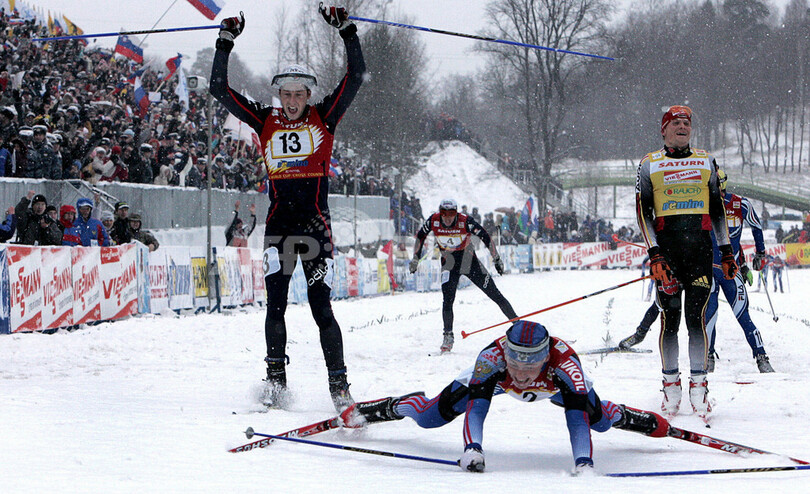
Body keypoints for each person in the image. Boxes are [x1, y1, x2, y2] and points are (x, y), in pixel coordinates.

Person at [209, 5, 365, 411]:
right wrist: (225, 41)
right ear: (278, 95)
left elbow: (356, 78)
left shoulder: (324, 116)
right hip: (278, 228)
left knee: (320, 306)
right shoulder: (265, 121)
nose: (293, 101)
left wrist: (347, 30)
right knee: (275, 305)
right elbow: (218, 90)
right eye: (287, 94)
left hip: (315, 228)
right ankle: (276, 383)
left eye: (299, 94)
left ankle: (340, 388)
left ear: (308, 95)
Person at [339, 321, 669, 474]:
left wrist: (584, 463)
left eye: (529, 364)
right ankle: (385, 408)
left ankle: (629, 416)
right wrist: (472, 449)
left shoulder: (566, 364)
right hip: (498, 384)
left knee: (599, 423)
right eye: (514, 362)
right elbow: (477, 409)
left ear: (545, 358)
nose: (522, 370)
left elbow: (576, 421)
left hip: (553, 386)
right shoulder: (491, 360)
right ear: (505, 355)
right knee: (428, 418)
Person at [635, 105, 735, 421]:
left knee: (696, 319)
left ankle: (699, 387)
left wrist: (727, 251)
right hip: (667, 255)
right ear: (663, 129)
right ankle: (670, 385)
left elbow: (718, 210)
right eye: (675, 123)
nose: (682, 127)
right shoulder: (649, 164)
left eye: (686, 123)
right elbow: (643, 213)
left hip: (700, 254)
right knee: (670, 320)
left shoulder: (706, 160)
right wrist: (654, 254)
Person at [410, 199, 517, 353]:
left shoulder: (464, 221)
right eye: (444, 214)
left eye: (451, 213)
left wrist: (496, 258)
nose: (447, 217)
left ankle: (517, 324)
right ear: (440, 213)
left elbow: (485, 236)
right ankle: (448, 336)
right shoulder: (434, 220)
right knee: (447, 300)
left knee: (495, 294)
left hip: (469, 261)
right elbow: (420, 236)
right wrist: (415, 257)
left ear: (456, 212)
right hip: (449, 263)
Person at [705, 169, 774, 372]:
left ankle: (761, 356)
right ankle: (708, 356)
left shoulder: (740, 204)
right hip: (709, 270)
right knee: (709, 314)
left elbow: (756, 227)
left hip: (731, 271)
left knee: (743, 316)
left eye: (716, 184)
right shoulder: (702, 205)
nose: (714, 189)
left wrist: (760, 253)